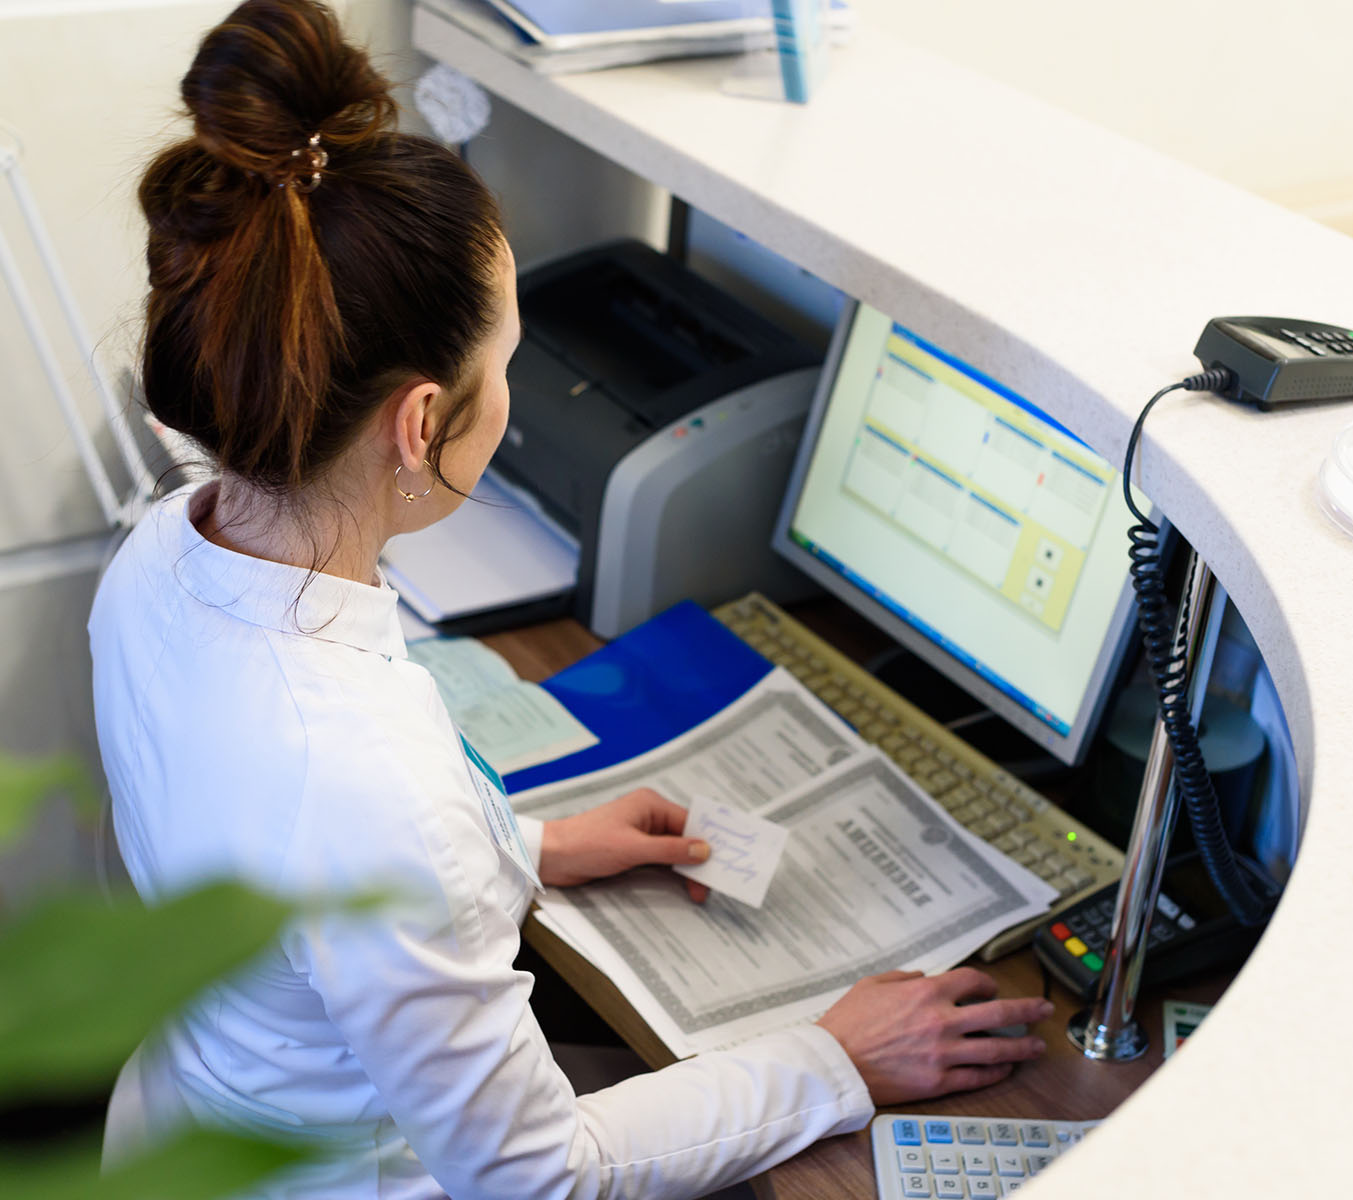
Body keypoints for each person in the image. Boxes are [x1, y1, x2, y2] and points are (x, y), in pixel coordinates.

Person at [89, 2, 1054, 1195]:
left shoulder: (161, 555)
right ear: (423, 424)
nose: (515, 393)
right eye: (505, 362)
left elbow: (291, 877)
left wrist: (527, 846)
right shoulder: (369, 792)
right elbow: (541, 1179)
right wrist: (833, 1059)